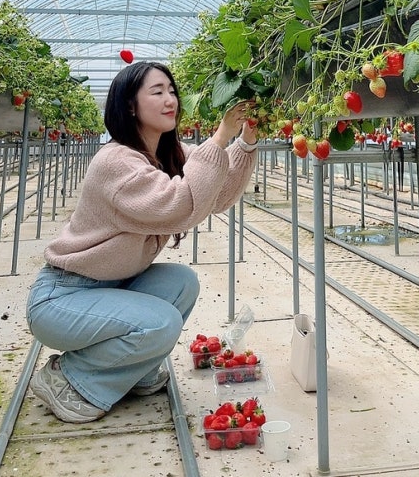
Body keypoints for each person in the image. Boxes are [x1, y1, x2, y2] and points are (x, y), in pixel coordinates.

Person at [26, 61, 258, 423]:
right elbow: (178, 206)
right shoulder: (116, 162)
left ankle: (130, 370)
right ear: (130, 106)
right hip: (63, 298)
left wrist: (245, 142)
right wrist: (220, 137)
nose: (171, 100)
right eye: (157, 92)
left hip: (112, 287)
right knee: (161, 322)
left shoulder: (168, 153)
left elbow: (218, 195)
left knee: (182, 282)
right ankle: (70, 377)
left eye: (171, 90)